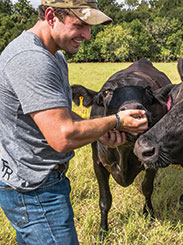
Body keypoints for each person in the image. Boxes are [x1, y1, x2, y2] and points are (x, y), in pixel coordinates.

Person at [0, 0, 148, 244]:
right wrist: (116, 121)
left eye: (89, 27)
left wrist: (97, 132)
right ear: (50, 16)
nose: (87, 35)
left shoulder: (54, 56)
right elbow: (63, 136)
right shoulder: (32, 59)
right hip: (35, 191)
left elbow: (62, 115)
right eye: (79, 25)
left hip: (38, 182)